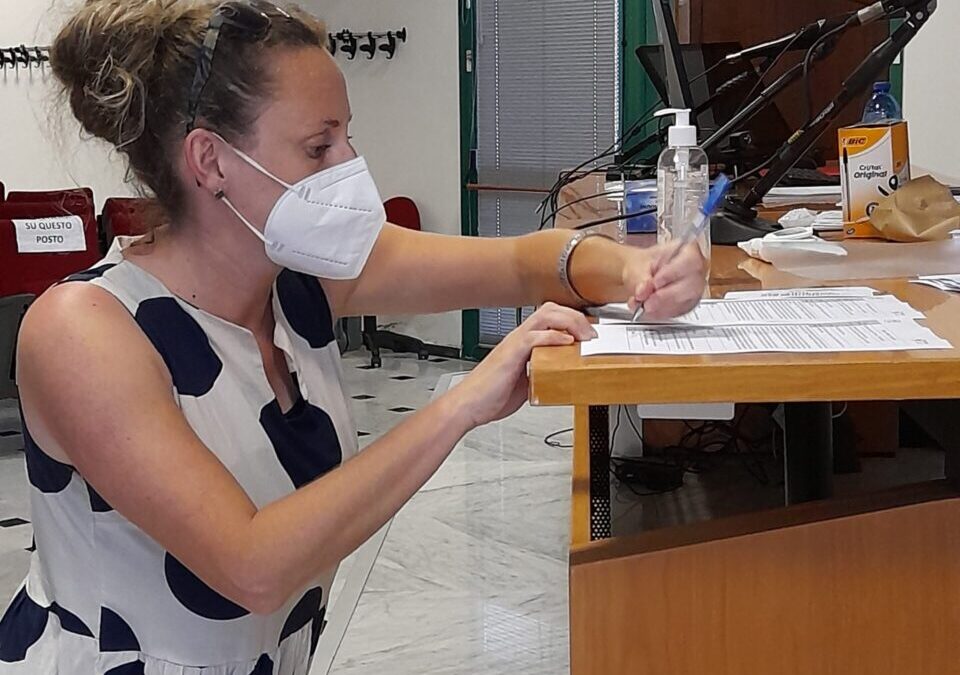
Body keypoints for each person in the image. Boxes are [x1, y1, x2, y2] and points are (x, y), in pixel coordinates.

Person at [0, 1, 706, 673]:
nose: (349, 167)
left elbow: (524, 262)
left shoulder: (300, 281)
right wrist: (460, 405)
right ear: (210, 162)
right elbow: (252, 566)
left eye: (346, 137)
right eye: (319, 146)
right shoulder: (85, 330)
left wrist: (635, 268)